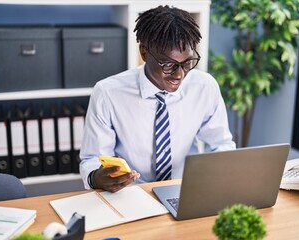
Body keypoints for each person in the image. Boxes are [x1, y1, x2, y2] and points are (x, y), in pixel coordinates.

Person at [79, 5, 235, 193]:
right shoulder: (108, 93)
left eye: (187, 63)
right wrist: (96, 177)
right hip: (129, 192)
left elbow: (221, 144)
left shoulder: (204, 87)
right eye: (168, 64)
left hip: (185, 190)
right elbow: (92, 159)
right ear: (144, 52)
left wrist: (215, 174)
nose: (179, 74)